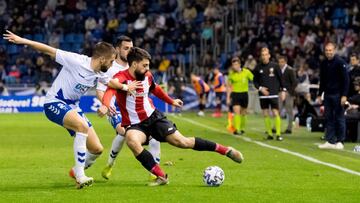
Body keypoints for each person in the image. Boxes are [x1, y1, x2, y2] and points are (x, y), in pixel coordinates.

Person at [98, 47, 243, 186]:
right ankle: (161, 176)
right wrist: (105, 105)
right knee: (132, 140)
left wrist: (171, 101)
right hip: (134, 124)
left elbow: (156, 89)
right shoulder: (121, 77)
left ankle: (226, 150)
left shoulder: (147, 76)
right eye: (145, 65)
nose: (148, 68)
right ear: (134, 64)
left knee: (183, 142)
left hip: (154, 118)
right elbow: (110, 90)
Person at [3, 30, 117, 189]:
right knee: (82, 127)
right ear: (102, 59)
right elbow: (47, 49)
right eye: (111, 61)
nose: (112, 65)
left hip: (73, 107)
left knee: (97, 149)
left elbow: (107, 87)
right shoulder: (76, 60)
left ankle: (76, 170)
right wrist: (23, 40)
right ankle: (80, 176)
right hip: (54, 102)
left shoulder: (102, 72)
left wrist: (111, 99)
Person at [96, 36, 161, 180]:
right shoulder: (110, 67)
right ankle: (110, 164)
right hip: (116, 109)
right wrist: (107, 105)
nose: (129, 51)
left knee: (154, 137)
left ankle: (154, 172)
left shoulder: (137, 66)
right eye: (126, 48)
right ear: (117, 49)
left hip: (136, 110)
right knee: (123, 131)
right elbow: (100, 90)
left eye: (131, 48)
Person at [317, 42, 349, 150]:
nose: (328, 52)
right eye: (326, 50)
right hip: (328, 95)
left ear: (334, 50)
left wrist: (344, 95)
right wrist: (319, 94)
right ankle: (330, 140)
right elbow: (322, 80)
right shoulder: (324, 63)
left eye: (330, 50)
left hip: (338, 95)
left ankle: (341, 141)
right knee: (329, 118)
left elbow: (346, 80)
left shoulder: (340, 62)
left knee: (339, 118)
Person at [253, 47, 286, 141]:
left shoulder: (275, 66)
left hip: (274, 94)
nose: (264, 56)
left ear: (269, 55)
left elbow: (281, 79)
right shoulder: (258, 67)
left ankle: (278, 134)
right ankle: (270, 134)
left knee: (276, 113)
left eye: (266, 54)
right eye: (262, 55)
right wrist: (260, 88)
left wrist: (283, 90)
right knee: (265, 114)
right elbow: (255, 82)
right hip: (263, 95)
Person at [226, 56, 254, 135]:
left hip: (244, 94)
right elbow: (228, 87)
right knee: (236, 112)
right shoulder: (231, 74)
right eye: (233, 65)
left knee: (243, 112)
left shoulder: (246, 72)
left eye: (236, 65)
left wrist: (259, 87)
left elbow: (254, 79)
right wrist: (228, 98)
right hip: (235, 94)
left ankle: (242, 128)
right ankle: (237, 129)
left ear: (239, 64)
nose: (234, 66)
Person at [278, 55, 298, 134]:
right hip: (280, 92)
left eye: (282, 62)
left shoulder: (290, 70)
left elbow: (294, 82)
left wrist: (288, 91)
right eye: (279, 62)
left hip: (288, 93)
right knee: (277, 110)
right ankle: (276, 126)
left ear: (285, 62)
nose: (280, 63)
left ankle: (289, 128)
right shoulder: (278, 70)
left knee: (289, 111)